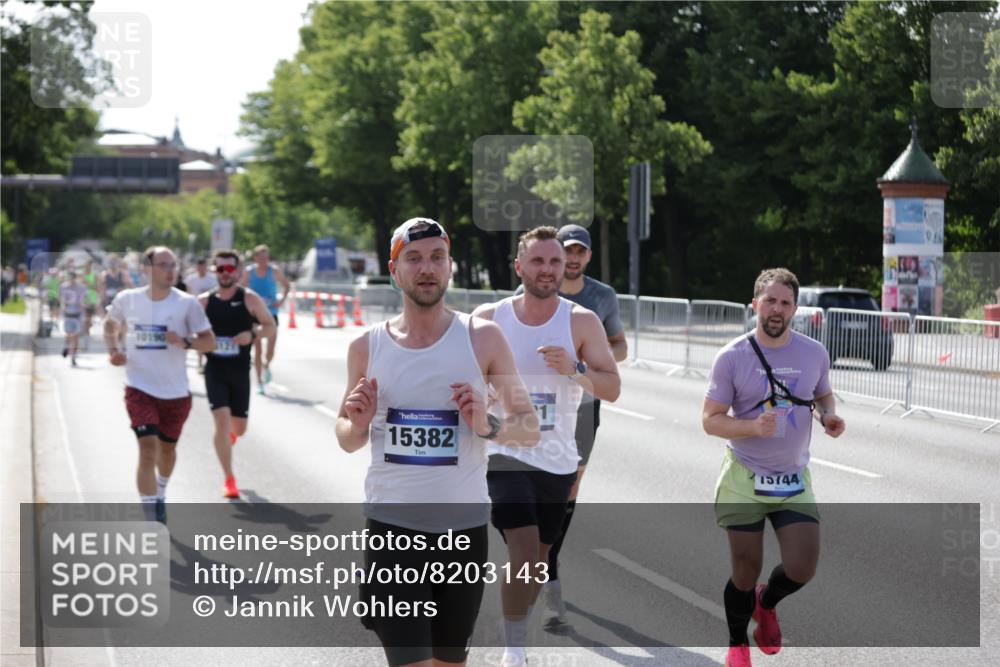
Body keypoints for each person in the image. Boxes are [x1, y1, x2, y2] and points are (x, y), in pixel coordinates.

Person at [335, 217, 540, 667]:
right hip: (393, 531)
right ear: (395, 270)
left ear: (450, 267)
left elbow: (528, 426)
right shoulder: (366, 347)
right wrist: (358, 421)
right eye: (414, 258)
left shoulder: (482, 337)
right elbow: (346, 437)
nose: (426, 268)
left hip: (462, 533)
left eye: (436, 257)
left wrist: (485, 425)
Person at [472, 226, 621, 667]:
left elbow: (611, 387)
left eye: (555, 262)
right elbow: (463, 377)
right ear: (519, 266)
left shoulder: (580, 321)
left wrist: (575, 369)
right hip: (505, 450)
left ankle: (515, 623)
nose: (548, 269)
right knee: (522, 546)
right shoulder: (489, 317)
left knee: (538, 560)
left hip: (557, 459)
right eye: (538, 261)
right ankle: (513, 649)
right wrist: (484, 399)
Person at [702, 268, 846, 667]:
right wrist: (751, 426)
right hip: (744, 475)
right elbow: (710, 419)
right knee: (745, 570)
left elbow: (823, 396)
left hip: (793, 478)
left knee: (802, 567)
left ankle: (766, 604)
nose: (777, 309)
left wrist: (828, 416)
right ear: (755, 304)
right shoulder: (732, 357)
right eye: (770, 301)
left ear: (795, 308)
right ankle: (736, 642)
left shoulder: (813, 352)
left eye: (785, 302)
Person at [533, 224, 628, 628]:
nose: (571, 259)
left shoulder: (601, 297)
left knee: (568, 489)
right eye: (565, 251)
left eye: (579, 253)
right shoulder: (539, 287)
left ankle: (547, 569)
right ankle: (535, 560)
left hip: (584, 406)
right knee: (526, 485)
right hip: (537, 404)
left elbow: (620, 346)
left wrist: (583, 365)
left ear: (587, 257)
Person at [103, 246, 215, 522]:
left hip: (176, 393)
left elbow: (209, 342)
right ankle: (151, 515)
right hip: (139, 387)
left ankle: (161, 491)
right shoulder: (127, 299)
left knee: (167, 450)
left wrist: (185, 341)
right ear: (147, 269)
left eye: (173, 265)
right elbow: (110, 324)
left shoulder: (186, 303)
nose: (170, 270)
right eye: (163, 264)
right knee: (148, 448)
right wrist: (114, 349)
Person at [199, 250, 275, 499]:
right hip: (215, 370)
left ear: (238, 271)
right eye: (220, 269)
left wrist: (251, 336)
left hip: (240, 371)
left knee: (239, 429)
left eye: (230, 269)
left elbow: (270, 326)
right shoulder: (204, 302)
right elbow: (187, 327)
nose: (225, 273)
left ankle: (229, 437)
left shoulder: (249, 299)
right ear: (214, 271)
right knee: (220, 422)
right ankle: (229, 478)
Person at [241, 244, 289, 393]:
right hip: (255, 315)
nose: (264, 260)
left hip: (271, 313)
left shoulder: (273, 271)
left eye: (266, 257)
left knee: (271, 349)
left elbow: (286, 286)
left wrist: (281, 301)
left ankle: (267, 365)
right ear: (255, 258)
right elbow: (240, 289)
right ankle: (260, 382)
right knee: (257, 348)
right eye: (261, 257)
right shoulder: (249, 272)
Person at [186, 257, 219, 373]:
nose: (201, 269)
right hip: (195, 313)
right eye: (199, 266)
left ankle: (208, 361)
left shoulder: (213, 279)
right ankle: (200, 362)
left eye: (203, 266)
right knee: (198, 337)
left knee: (209, 336)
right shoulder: (191, 279)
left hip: (211, 311)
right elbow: (187, 293)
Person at [59, 271, 87, 366]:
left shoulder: (81, 288)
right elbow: (61, 299)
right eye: (69, 278)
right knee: (68, 335)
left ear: (75, 278)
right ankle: (67, 346)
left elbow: (84, 300)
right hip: (67, 314)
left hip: (78, 314)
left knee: (76, 336)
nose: (70, 280)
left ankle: (73, 356)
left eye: (72, 278)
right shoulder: (64, 287)